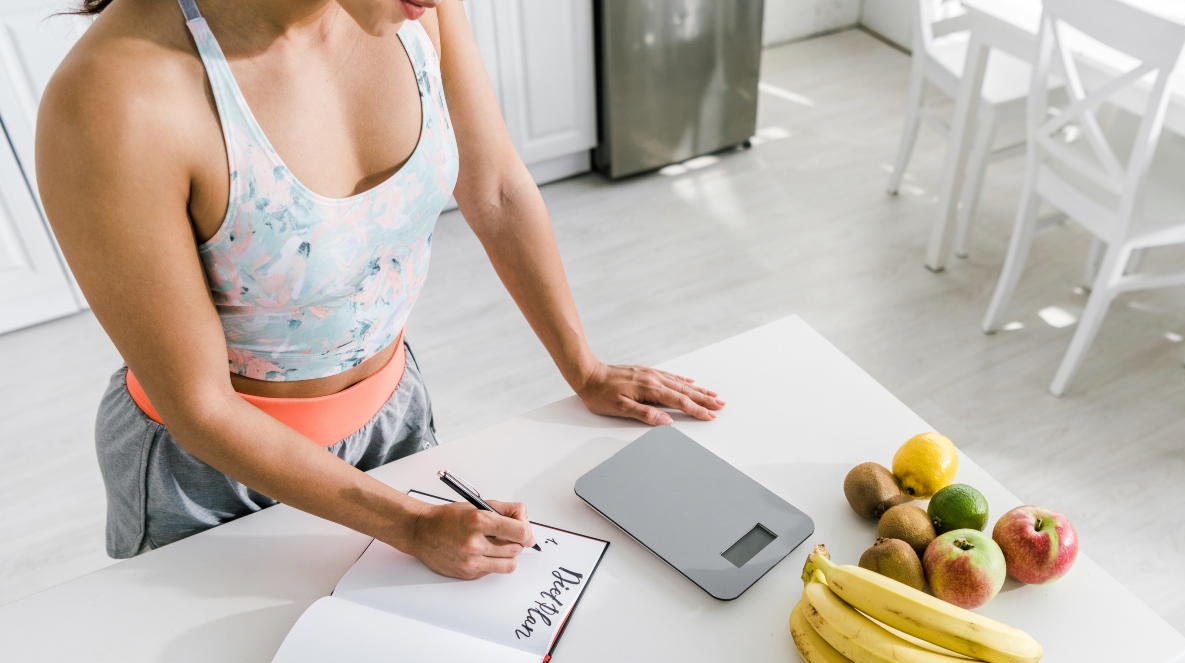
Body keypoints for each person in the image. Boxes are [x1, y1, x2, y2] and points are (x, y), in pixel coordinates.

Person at [36, 0, 724, 579]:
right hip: (212, 478)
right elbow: (202, 407)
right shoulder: (117, 95)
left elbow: (496, 191)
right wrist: (410, 525)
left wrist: (586, 367)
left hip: (396, 417)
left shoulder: (411, 9)